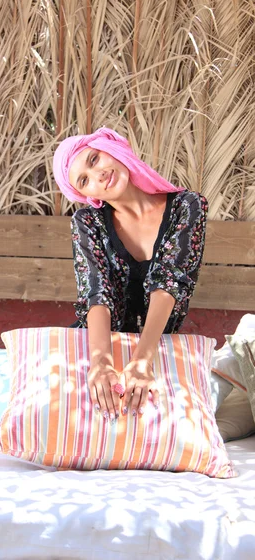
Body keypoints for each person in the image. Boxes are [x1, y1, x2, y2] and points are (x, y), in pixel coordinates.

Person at [53, 127, 208, 423]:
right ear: (85, 195)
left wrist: (141, 362)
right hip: (96, 348)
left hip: (156, 350)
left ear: (112, 149)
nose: (97, 174)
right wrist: (100, 364)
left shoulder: (188, 206)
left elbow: (170, 282)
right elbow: (96, 292)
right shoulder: (87, 222)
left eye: (95, 159)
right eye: (83, 180)